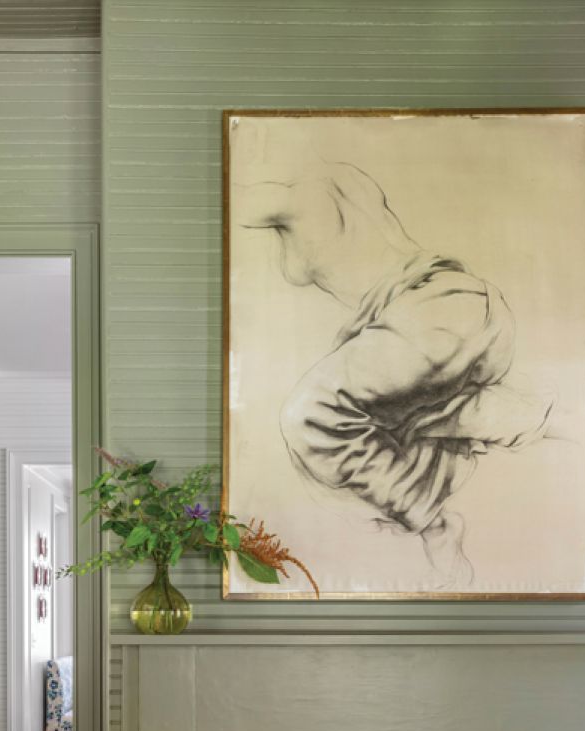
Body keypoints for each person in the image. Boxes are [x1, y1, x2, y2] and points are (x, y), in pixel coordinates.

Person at [234, 162, 553, 588]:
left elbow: (233, 197)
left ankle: (434, 524)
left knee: (312, 413)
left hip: (431, 313)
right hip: (462, 305)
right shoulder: (343, 187)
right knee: (391, 412)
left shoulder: (302, 199)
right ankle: (511, 415)